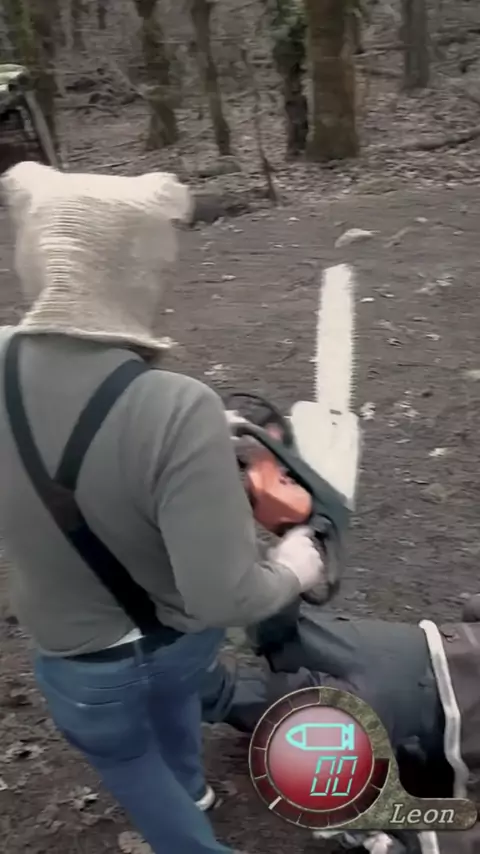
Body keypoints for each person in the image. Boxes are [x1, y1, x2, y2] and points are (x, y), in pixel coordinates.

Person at [0, 161, 327, 854]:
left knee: (127, 760)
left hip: (78, 663)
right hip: (179, 643)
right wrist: (295, 568)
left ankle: (186, 799)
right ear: (137, 272)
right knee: (175, 692)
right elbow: (224, 596)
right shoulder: (178, 407)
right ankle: (192, 801)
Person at [200, 595, 480, 854]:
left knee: (286, 639)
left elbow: (474, 608)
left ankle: (256, 598)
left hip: (411, 646)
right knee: (275, 701)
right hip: (437, 718)